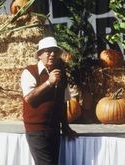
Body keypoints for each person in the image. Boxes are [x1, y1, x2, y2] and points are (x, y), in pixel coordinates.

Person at [20, 36, 78, 165]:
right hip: (36, 129)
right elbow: (29, 98)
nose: (52, 54)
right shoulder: (30, 72)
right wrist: (49, 83)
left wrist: (66, 126)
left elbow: (63, 103)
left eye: (55, 51)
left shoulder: (61, 74)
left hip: (54, 129)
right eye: (47, 51)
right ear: (39, 55)